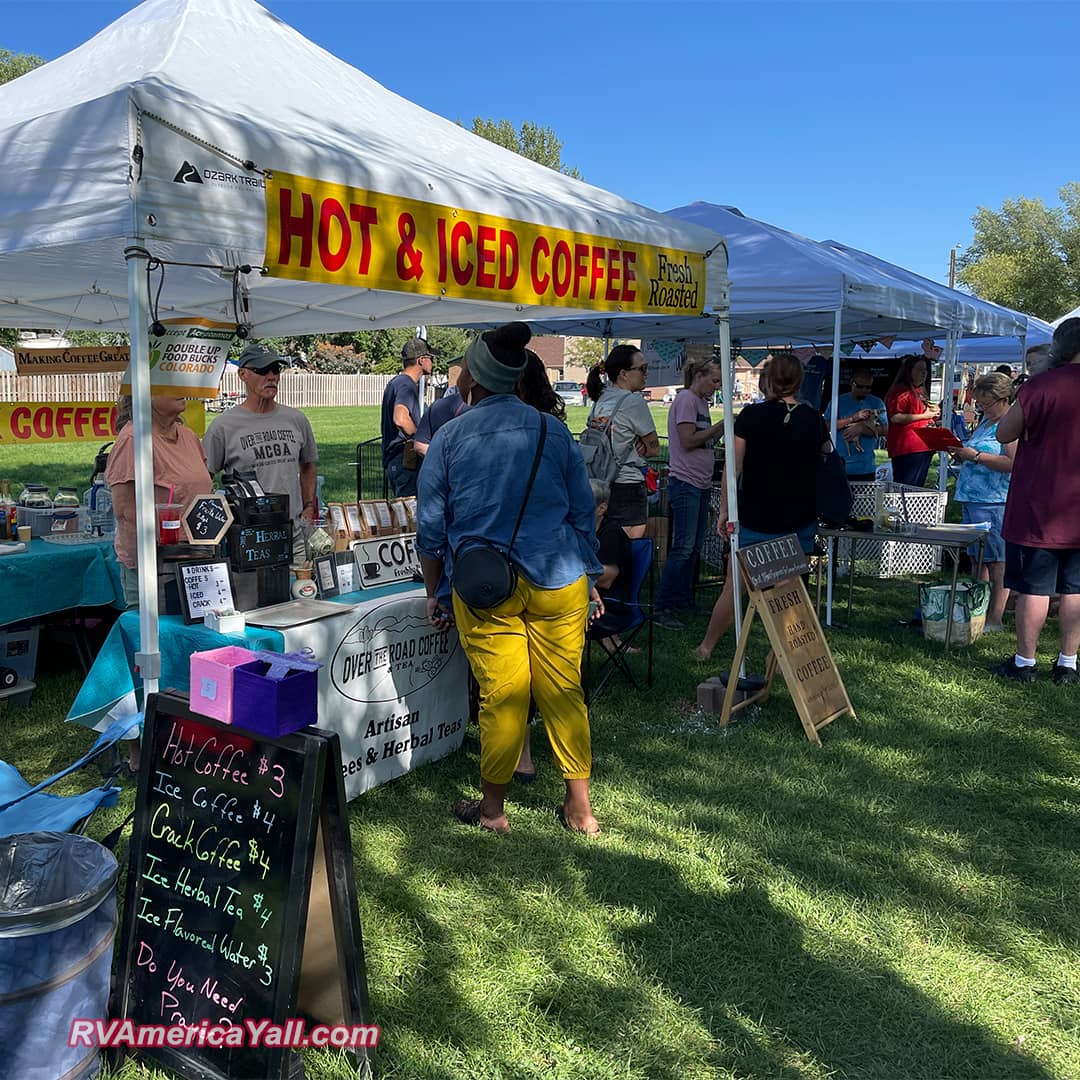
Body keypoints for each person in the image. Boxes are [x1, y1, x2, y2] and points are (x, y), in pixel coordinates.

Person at [417, 322, 604, 835]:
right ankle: (581, 811)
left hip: (484, 587)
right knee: (564, 688)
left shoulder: (449, 437)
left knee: (504, 694)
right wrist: (589, 574)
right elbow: (583, 513)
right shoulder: (554, 430)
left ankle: (494, 811)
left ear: (472, 375)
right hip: (560, 576)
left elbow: (431, 529)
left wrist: (435, 590)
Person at [694, 352, 831, 661]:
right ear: (798, 381)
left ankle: (706, 647)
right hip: (798, 518)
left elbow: (734, 467)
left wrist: (727, 511)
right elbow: (828, 455)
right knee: (789, 593)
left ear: (767, 380)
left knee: (734, 588)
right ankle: (779, 656)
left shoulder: (751, 416)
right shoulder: (812, 418)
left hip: (755, 516)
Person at [991, 317, 1080, 684]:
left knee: (1034, 587)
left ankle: (1025, 663)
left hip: (1039, 503)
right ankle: (1068, 664)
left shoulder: (1040, 386)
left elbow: (1004, 432)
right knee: (1075, 589)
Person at [202, 342, 318, 563]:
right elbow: (204, 476)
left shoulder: (296, 419)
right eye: (263, 370)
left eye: (276, 370)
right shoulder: (224, 426)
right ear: (243, 374)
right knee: (257, 597)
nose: (272, 376)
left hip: (293, 534)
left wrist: (308, 506)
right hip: (250, 538)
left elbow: (309, 463)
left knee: (300, 592)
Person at [106, 394, 213, 608]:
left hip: (198, 560)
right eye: (169, 386)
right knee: (158, 636)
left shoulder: (188, 436)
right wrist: (149, 569)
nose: (179, 390)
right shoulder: (133, 440)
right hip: (157, 566)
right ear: (145, 392)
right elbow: (126, 514)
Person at [653, 356, 724, 630]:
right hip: (686, 483)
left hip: (700, 482)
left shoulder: (701, 402)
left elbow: (701, 441)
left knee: (693, 547)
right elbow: (688, 440)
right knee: (682, 547)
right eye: (715, 380)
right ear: (700, 376)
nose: (717, 387)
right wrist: (721, 426)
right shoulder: (686, 399)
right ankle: (663, 606)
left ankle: (683, 599)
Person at [946, 372, 1017, 632]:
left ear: (1004, 399)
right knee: (978, 560)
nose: (982, 407)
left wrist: (975, 456)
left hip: (995, 501)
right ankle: (978, 609)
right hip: (973, 499)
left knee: (997, 562)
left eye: (986, 403)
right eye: (980, 403)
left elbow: (1013, 463)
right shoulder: (987, 423)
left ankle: (995, 617)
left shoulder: (1009, 425)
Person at [584, 345, 660, 538]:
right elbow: (655, 449)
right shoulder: (634, 401)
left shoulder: (600, 399)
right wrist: (643, 445)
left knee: (605, 546)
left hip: (600, 481)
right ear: (624, 374)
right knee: (628, 552)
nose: (646, 374)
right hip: (628, 486)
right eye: (642, 368)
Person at [380, 337, 435, 496]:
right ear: (421, 360)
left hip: (397, 461)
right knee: (408, 516)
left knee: (403, 515)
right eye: (430, 358)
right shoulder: (406, 385)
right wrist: (421, 439)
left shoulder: (397, 382)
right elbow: (401, 419)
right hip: (404, 460)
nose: (432, 362)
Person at [885, 354, 940, 487]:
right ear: (909, 371)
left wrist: (933, 414)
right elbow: (895, 417)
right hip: (908, 447)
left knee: (916, 488)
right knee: (906, 488)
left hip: (923, 445)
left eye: (925, 370)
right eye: (919, 370)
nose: (924, 374)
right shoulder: (900, 391)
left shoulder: (920, 390)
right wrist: (924, 416)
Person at [824, 366, 887, 481]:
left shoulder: (877, 403)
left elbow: (886, 430)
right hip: (840, 465)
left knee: (863, 499)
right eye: (860, 386)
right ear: (851, 383)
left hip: (866, 467)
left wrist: (863, 428)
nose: (864, 390)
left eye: (868, 387)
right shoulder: (837, 402)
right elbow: (826, 425)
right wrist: (852, 419)